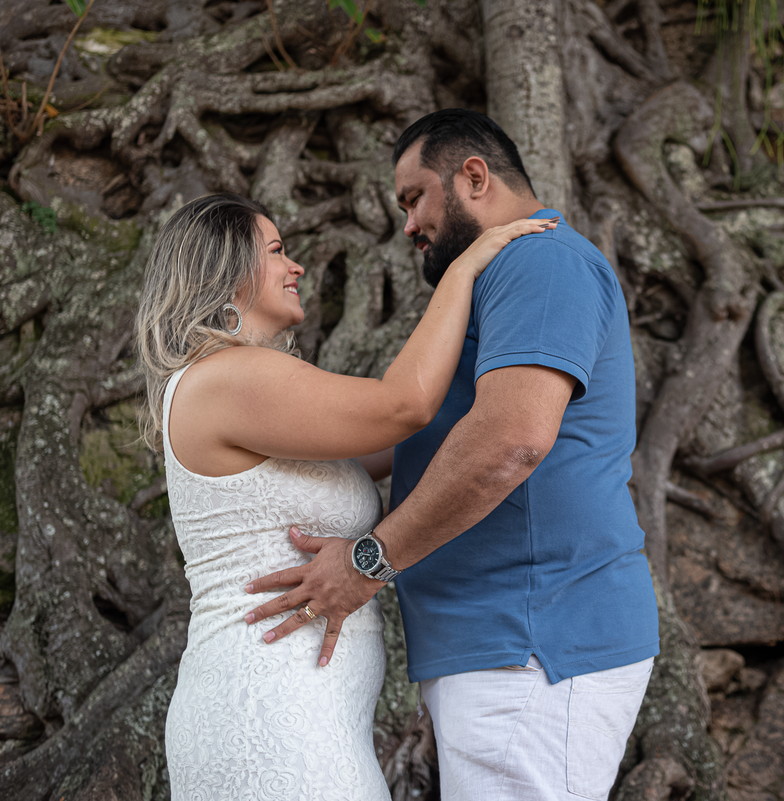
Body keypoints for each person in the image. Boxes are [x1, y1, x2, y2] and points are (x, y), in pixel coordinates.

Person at [245, 109, 660, 801]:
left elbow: (511, 440)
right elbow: (404, 432)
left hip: (533, 639)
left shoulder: (541, 261)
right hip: (504, 641)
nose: (407, 224)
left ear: (473, 176)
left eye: (414, 199)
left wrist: (366, 561)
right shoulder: (500, 277)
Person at [135, 191, 554, 801]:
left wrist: (512, 404)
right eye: (277, 251)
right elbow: (402, 407)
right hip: (269, 718)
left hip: (300, 718)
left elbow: (392, 446)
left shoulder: (229, 382)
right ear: (225, 276)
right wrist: (465, 267)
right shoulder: (229, 377)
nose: (296, 266)